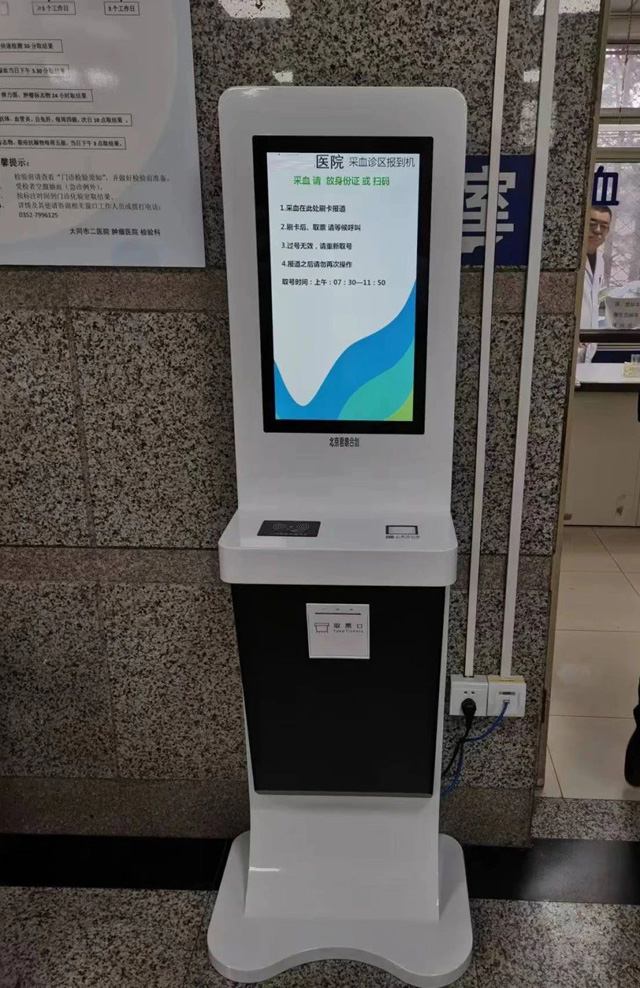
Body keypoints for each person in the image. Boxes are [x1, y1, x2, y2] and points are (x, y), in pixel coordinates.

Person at [581, 205, 611, 329]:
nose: (598, 230)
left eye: (603, 226)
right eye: (592, 224)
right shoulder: (568, 259)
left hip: (589, 335)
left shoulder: (600, 260)